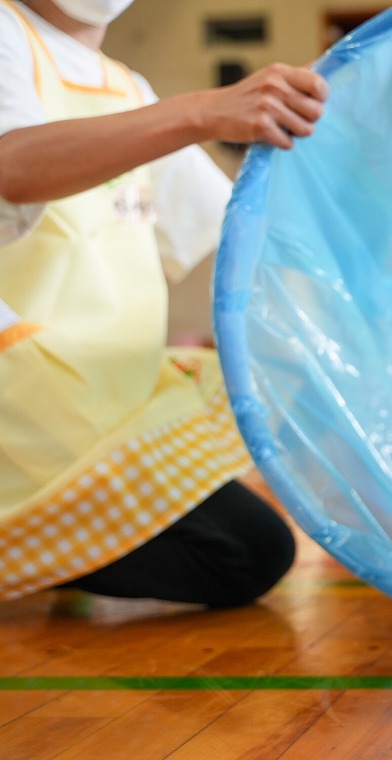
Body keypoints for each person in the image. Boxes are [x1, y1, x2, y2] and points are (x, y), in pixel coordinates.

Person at [0, 0, 327, 605]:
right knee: (245, 551)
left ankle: (45, 544)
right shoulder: (7, 31)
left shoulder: (126, 87)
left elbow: (245, 224)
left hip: (105, 397)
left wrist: (388, 236)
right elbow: (11, 165)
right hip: (27, 401)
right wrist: (202, 111)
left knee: (252, 545)